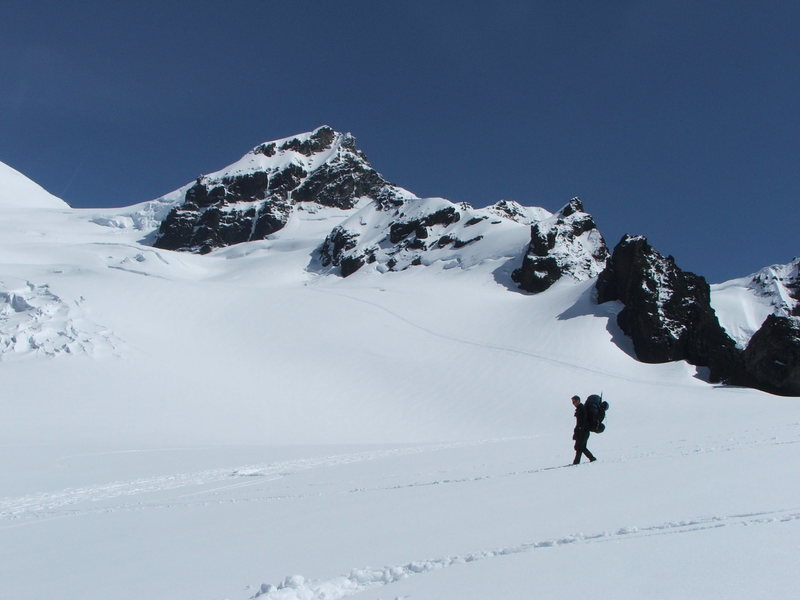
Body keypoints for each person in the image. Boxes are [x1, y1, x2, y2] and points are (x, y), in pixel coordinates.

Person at [571, 395, 596, 464]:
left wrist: (579, 430)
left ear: (578, 401)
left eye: (574, 401)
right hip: (581, 431)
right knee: (580, 447)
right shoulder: (580, 408)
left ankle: (576, 462)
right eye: (572, 402)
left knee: (579, 447)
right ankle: (592, 458)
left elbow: (582, 422)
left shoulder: (581, 409)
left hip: (583, 431)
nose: (573, 403)